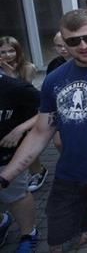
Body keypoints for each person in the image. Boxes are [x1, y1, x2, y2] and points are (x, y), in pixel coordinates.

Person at [0, 9, 87, 251]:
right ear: (64, 43)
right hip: (71, 173)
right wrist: (6, 176)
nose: (83, 45)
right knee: (57, 242)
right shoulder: (55, 79)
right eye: (74, 41)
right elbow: (41, 131)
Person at [0, 37, 48, 193]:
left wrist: (11, 75)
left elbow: (25, 90)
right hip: (9, 112)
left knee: (26, 142)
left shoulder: (27, 67)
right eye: (3, 52)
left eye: (11, 50)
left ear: (18, 51)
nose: (8, 55)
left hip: (26, 110)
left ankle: (38, 171)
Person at [0, 73, 40, 252]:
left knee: (15, 195)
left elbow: (48, 109)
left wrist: (20, 129)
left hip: (8, 157)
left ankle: (28, 233)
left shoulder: (15, 87)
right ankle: (3, 221)